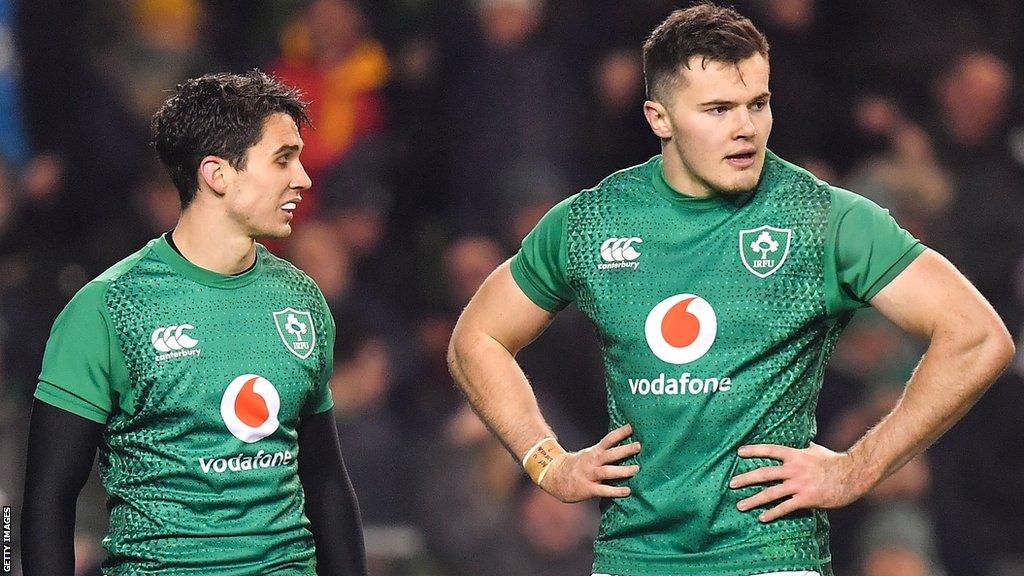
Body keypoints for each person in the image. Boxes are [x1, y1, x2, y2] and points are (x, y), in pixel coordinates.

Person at [446, 4, 1015, 576]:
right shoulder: (592, 222)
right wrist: (547, 462)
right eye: (718, 109)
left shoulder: (821, 219)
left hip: (769, 559)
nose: (746, 127)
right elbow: (476, 339)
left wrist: (857, 468)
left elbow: (976, 337)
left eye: (758, 103)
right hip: (633, 561)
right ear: (659, 118)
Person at [21, 71, 367, 576]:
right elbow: (47, 503)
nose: (304, 179)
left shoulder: (300, 297)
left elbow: (327, 482)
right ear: (217, 174)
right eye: (283, 159)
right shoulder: (107, 307)